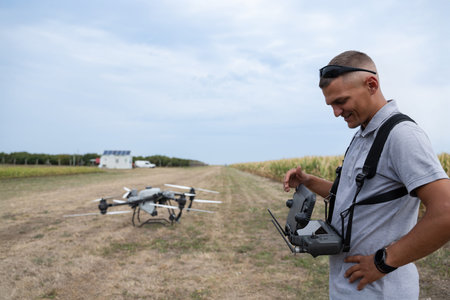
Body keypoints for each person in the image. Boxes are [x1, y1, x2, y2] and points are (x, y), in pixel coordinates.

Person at [283, 50, 450, 299]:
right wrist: (309, 181)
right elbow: (355, 197)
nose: (336, 112)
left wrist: (383, 262)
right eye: (331, 105)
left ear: (371, 85)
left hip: (380, 291)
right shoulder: (363, 134)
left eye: (341, 101)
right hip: (350, 288)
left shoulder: (402, 135)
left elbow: (445, 211)